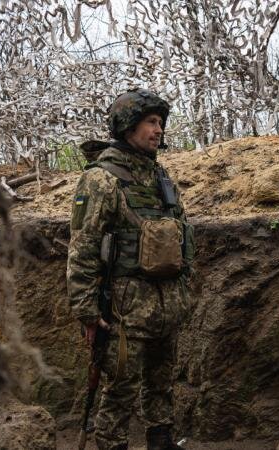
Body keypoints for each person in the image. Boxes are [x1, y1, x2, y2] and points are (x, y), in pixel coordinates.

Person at [67, 88, 194, 450]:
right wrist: (87, 312)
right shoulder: (101, 178)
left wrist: (185, 291)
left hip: (166, 305)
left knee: (161, 381)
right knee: (120, 387)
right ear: (127, 126)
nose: (158, 130)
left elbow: (183, 236)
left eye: (161, 123)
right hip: (124, 309)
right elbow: (83, 248)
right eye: (151, 122)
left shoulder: (160, 177)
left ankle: (161, 440)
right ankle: (110, 443)